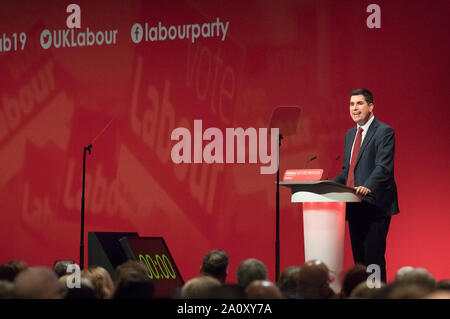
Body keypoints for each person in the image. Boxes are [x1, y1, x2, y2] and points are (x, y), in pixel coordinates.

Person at [333, 88, 399, 282]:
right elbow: (348, 171)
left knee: (373, 260)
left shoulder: (384, 131)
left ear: (371, 106)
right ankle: (362, 294)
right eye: (351, 104)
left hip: (374, 205)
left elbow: (383, 167)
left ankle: (377, 296)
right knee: (360, 262)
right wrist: (326, 184)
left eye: (359, 103)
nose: (355, 108)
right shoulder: (349, 134)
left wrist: (368, 185)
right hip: (354, 205)